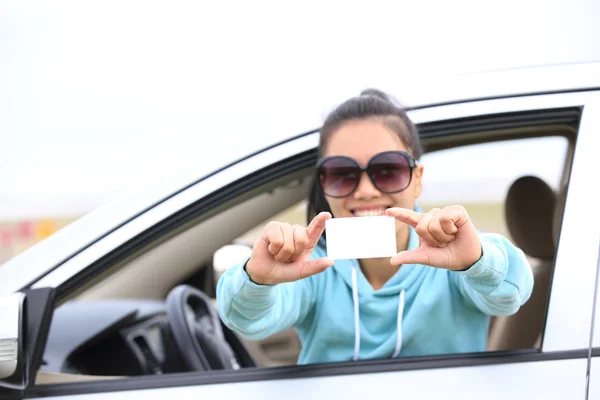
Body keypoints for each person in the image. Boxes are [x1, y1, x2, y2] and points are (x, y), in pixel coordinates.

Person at [216, 89, 534, 365]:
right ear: (323, 184)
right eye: (342, 173)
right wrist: (256, 279)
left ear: (418, 178)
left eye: (388, 170)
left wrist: (478, 260)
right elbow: (246, 320)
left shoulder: (455, 259)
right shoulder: (312, 268)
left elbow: (510, 293)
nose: (366, 190)